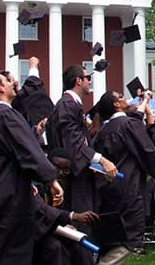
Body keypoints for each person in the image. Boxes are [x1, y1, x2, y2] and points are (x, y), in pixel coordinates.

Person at [0, 70, 64, 264]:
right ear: (0, 88)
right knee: (13, 253)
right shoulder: (7, 116)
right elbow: (29, 150)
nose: (13, 83)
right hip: (9, 196)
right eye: (8, 81)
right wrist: (51, 179)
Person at [46, 63, 117, 264]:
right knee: (81, 225)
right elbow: (75, 145)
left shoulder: (69, 105)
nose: (89, 81)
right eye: (87, 78)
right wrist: (102, 160)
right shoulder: (68, 105)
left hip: (78, 173)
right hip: (74, 179)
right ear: (79, 80)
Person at [92, 90, 155, 257]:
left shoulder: (103, 131)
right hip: (129, 184)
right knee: (130, 231)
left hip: (109, 185)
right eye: (121, 96)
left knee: (113, 231)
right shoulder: (128, 125)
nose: (124, 98)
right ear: (116, 104)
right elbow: (147, 150)